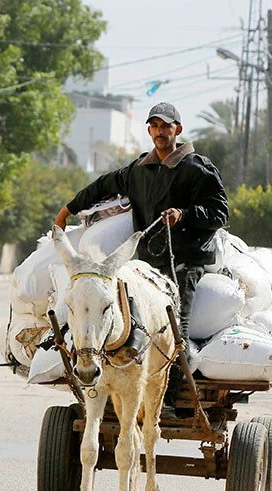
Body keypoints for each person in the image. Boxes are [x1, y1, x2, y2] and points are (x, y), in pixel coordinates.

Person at [54, 102, 229, 416]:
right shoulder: (139, 170)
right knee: (124, 319)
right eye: (154, 126)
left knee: (176, 327)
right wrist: (67, 211)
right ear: (149, 130)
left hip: (184, 262)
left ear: (178, 129)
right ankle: (113, 385)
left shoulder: (197, 169)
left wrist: (184, 214)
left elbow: (220, 212)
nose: (160, 132)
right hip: (146, 263)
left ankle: (169, 403)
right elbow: (101, 187)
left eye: (166, 126)